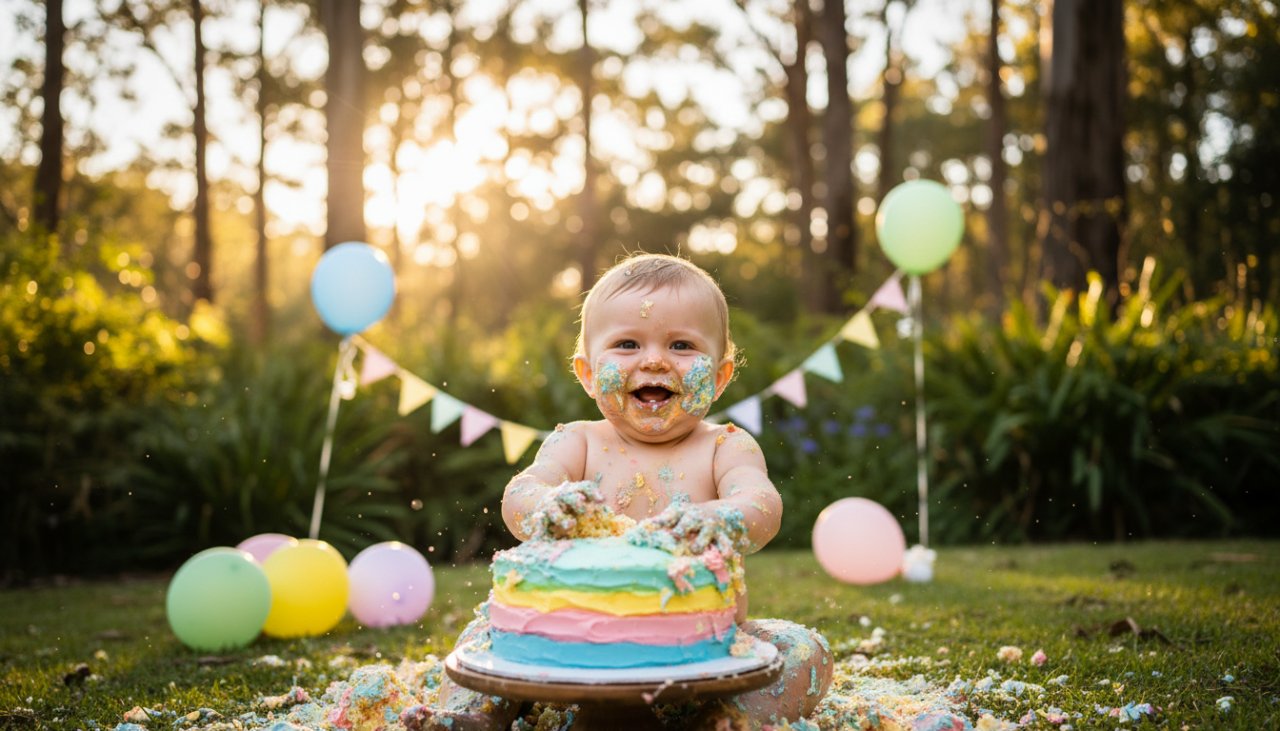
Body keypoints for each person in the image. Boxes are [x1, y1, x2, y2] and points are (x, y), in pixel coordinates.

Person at [404, 253, 833, 731]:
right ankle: (473, 716)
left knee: (803, 648)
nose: (653, 359)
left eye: (682, 344)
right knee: (484, 634)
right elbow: (522, 490)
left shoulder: (724, 446)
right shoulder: (579, 441)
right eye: (627, 343)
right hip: (569, 649)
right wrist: (546, 506)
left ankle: (727, 720)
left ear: (719, 376)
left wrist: (721, 518)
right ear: (587, 374)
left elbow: (761, 503)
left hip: (703, 651)